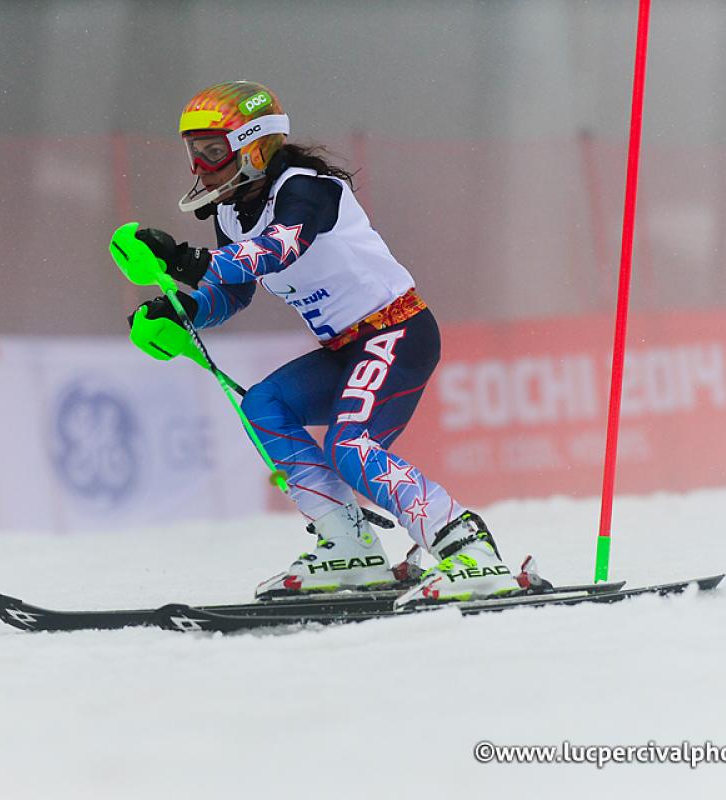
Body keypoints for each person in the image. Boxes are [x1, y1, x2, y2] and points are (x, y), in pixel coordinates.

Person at [127, 80, 518, 607]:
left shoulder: (306, 187)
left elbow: (280, 248)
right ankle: (348, 545)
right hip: (346, 349)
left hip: (396, 330)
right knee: (264, 405)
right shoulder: (229, 211)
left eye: (213, 150)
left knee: (351, 444)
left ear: (254, 143)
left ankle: (469, 550)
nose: (201, 165)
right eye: (194, 152)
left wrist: (188, 262)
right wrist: (181, 310)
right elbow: (232, 293)